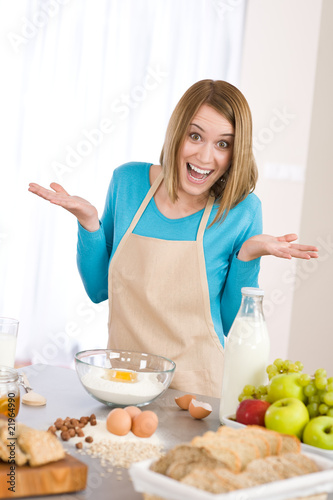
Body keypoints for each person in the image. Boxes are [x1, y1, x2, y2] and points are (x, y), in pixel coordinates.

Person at [29, 80, 318, 397]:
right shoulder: (128, 183)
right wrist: (89, 225)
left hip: (199, 394)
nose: (206, 156)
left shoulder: (242, 211)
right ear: (177, 132)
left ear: (237, 152)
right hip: (125, 386)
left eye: (223, 144)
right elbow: (99, 290)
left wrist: (247, 257)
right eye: (195, 136)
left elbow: (232, 325)